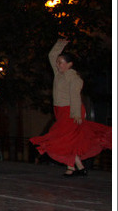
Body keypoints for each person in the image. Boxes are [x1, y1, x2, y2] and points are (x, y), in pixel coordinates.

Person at [30, 38, 111, 176]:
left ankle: (73, 167)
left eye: (61, 62)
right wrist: (60, 44)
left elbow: (75, 97)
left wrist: (76, 115)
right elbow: (51, 55)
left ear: (69, 64)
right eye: (58, 62)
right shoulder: (58, 74)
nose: (57, 64)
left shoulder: (74, 79)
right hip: (61, 111)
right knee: (69, 140)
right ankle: (77, 167)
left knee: (61, 139)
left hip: (71, 112)